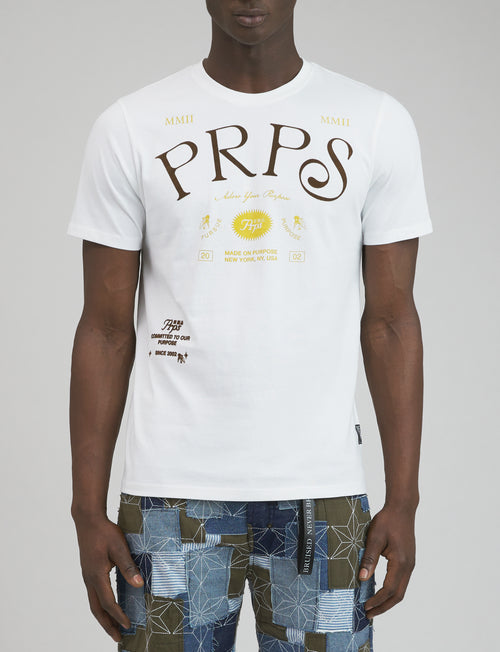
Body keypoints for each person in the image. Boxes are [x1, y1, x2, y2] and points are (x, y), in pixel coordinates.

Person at [66, 2, 433, 650]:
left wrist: (404, 498)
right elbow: (105, 329)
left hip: (321, 498)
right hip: (169, 500)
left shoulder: (375, 122)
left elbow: (390, 320)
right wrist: (85, 510)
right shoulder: (131, 127)